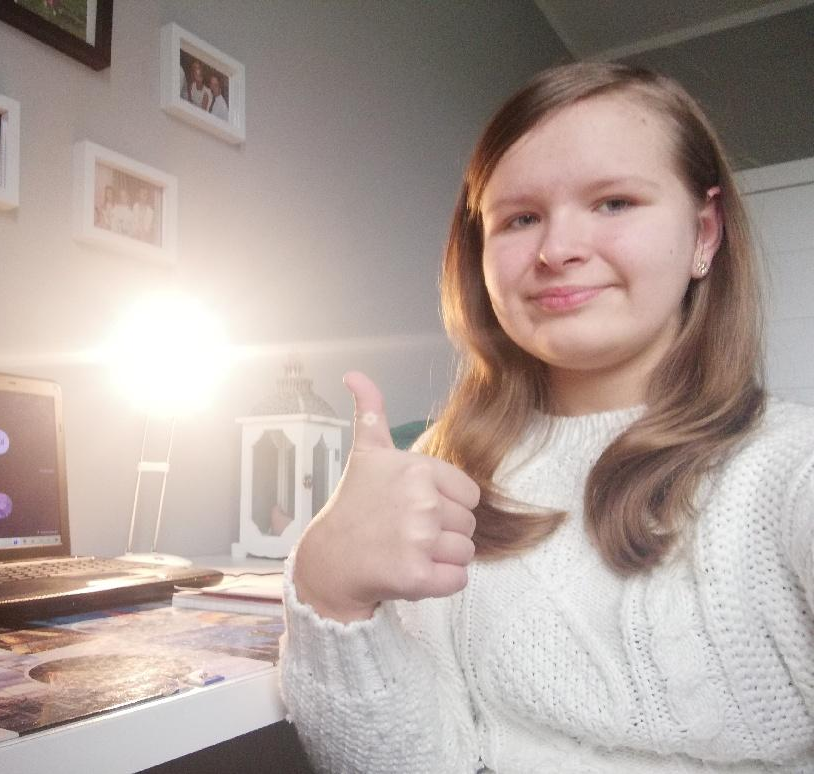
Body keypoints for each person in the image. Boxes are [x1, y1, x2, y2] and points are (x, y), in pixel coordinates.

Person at [281, 61, 814, 773]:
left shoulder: (792, 469)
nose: (557, 250)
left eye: (615, 202)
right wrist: (328, 591)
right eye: (521, 218)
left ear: (704, 233)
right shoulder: (443, 467)